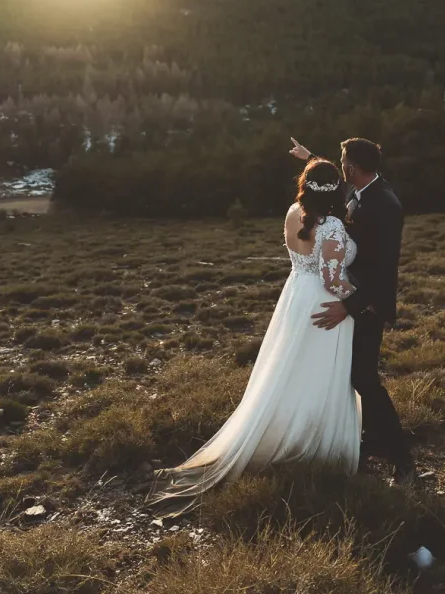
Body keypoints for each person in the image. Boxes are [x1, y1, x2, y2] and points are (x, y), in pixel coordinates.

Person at [149, 159, 361, 516]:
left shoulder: (294, 212)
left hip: (296, 297)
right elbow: (331, 279)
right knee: (318, 372)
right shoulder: (334, 226)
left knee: (289, 370)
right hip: (325, 304)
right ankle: (315, 445)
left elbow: (307, 262)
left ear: (305, 187)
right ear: (337, 191)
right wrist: (358, 300)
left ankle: (279, 429)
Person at [290, 136, 414, 483]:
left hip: (367, 304)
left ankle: (403, 460)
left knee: (364, 379)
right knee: (350, 376)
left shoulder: (384, 205)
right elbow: (329, 181)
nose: (342, 172)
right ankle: (369, 440)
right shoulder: (360, 189)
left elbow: (384, 267)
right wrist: (309, 158)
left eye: (344, 164)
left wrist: (350, 305)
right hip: (352, 294)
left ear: (352, 168)